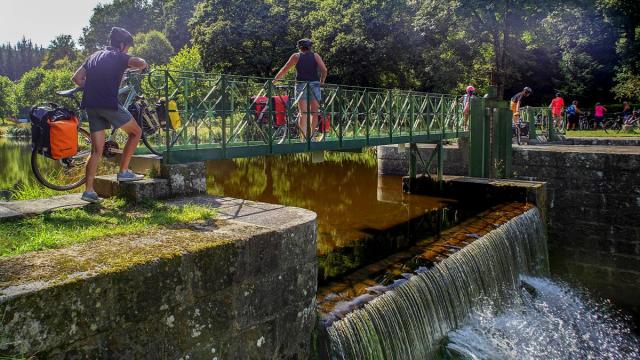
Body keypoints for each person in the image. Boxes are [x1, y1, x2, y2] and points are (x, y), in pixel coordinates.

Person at [71, 27, 148, 203]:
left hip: (90, 104)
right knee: (136, 132)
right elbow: (139, 62)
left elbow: (76, 78)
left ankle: (89, 191)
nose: (128, 50)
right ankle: (123, 172)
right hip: (107, 103)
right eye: (128, 47)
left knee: (97, 151)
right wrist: (144, 64)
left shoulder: (93, 56)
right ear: (122, 45)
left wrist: (93, 86)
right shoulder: (118, 56)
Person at [274, 39, 328, 139]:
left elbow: (284, 69)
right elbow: (324, 70)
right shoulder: (315, 56)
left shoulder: (296, 56)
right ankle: (313, 137)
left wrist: (274, 81)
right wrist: (322, 82)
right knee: (314, 112)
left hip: (301, 85)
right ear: (310, 46)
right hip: (315, 85)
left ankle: (303, 138)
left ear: (299, 47)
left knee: (303, 113)